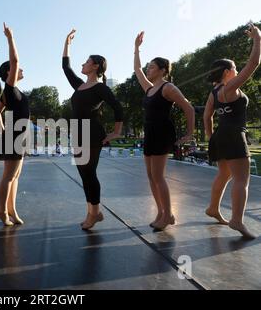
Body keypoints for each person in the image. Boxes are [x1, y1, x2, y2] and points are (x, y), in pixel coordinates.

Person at [63, 29, 124, 230]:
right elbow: (66, 67)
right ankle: (93, 212)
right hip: (78, 134)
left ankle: (94, 213)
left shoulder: (99, 88)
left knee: (89, 174)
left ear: (95, 66)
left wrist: (116, 132)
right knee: (83, 174)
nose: (82, 64)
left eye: (86, 62)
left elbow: (118, 107)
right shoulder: (79, 86)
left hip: (92, 134)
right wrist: (67, 44)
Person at [204, 23, 260, 239]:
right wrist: (258, 39)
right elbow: (254, 63)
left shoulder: (214, 92)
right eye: (235, 68)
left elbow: (206, 116)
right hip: (234, 134)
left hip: (220, 135)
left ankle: (213, 208)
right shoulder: (230, 87)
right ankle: (236, 220)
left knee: (225, 174)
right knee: (241, 180)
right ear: (227, 72)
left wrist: (211, 137)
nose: (237, 71)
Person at [134, 31, 195, 230]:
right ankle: (161, 212)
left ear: (162, 70)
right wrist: (136, 48)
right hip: (150, 133)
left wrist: (189, 133)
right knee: (151, 177)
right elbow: (137, 69)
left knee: (158, 176)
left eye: (151, 67)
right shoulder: (149, 88)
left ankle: (168, 214)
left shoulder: (168, 88)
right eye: (148, 67)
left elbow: (188, 108)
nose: (148, 69)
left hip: (162, 133)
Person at [0, 23, 29, 226]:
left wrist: (2, 128)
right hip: (14, 137)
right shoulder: (10, 88)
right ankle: (1, 209)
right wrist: (10, 38)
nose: (21, 69)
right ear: (9, 73)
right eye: (16, 69)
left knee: (15, 176)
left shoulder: (10, 94)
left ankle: (11, 210)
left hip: (17, 136)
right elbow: (15, 60)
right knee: (8, 176)